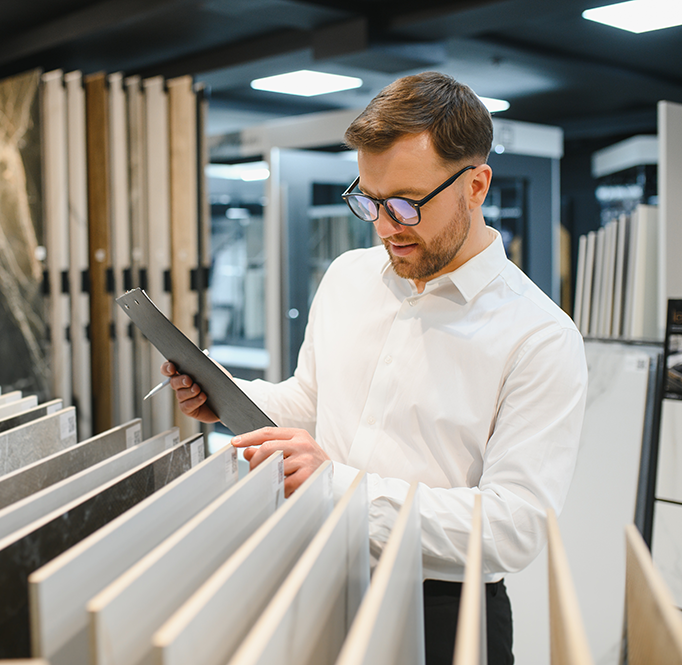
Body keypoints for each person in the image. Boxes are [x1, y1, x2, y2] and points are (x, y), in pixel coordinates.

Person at [161, 71, 587, 665]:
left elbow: (513, 527)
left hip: (442, 616)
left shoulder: (540, 337)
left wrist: (335, 486)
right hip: (318, 575)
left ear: (477, 185)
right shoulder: (347, 277)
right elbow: (311, 402)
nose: (387, 226)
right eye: (370, 201)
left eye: (408, 204)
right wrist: (227, 396)